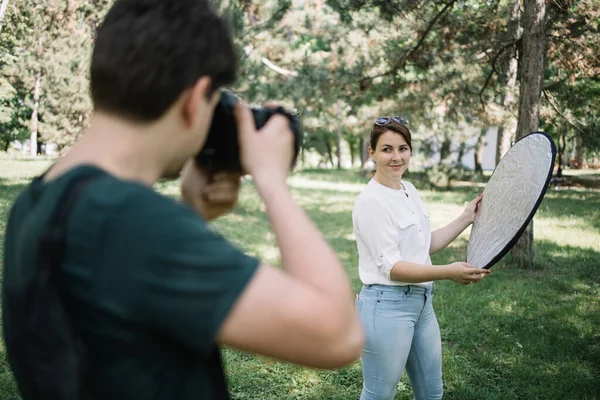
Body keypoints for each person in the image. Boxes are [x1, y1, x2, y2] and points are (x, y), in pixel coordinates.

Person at [1, 1, 364, 399]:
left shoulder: (37, 201)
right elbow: (339, 335)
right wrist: (271, 181)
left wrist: (190, 214)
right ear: (195, 100)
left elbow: (108, 322)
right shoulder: (129, 221)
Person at [352, 116, 490, 400]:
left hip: (422, 305)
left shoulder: (408, 190)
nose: (396, 157)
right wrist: (448, 272)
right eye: (387, 149)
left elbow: (424, 244)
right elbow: (393, 268)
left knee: (431, 393)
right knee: (379, 394)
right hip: (386, 307)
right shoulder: (370, 202)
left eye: (403, 148)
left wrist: (466, 217)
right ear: (372, 152)